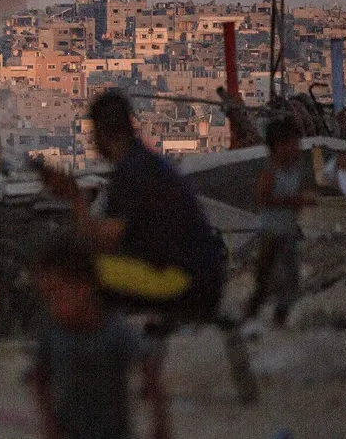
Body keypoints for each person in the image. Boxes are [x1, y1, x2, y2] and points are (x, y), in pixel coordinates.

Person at [39, 89, 227, 325]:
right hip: (197, 278)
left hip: (185, 283)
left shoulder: (132, 172)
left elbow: (103, 244)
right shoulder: (144, 163)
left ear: (99, 133)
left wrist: (74, 199)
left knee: (77, 273)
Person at [28, 234, 170, 439]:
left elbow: (148, 363)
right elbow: (39, 377)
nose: (52, 306)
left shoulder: (114, 330)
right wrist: (49, 422)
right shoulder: (53, 333)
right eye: (47, 298)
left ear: (85, 287)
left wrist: (159, 424)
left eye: (57, 294)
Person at [244, 117, 318, 328]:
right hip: (271, 234)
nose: (297, 148)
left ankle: (278, 319)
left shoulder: (294, 169)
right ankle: (252, 318)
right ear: (279, 146)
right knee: (266, 280)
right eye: (293, 143)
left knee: (290, 279)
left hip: (287, 232)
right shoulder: (270, 171)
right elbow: (263, 199)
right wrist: (293, 201)